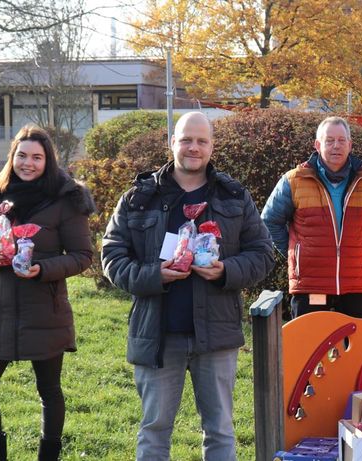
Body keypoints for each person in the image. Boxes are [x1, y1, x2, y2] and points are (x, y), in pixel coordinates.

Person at [102, 112, 275, 460]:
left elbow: (263, 254)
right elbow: (112, 258)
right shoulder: (139, 197)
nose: (193, 147)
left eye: (201, 140)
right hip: (158, 336)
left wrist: (227, 270)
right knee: (154, 432)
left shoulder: (233, 196)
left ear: (212, 146)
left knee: (221, 431)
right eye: (186, 139)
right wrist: (154, 275)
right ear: (172, 143)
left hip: (217, 335)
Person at [0, 125, 94, 461]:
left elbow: (83, 256)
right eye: (22, 155)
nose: (28, 163)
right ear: (12, 157)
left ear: (47, 160)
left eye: (37, 157)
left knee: (49, 390)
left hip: (46, 308)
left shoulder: (66, 199)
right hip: (1, 307)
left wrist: (44, 269)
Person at [262, 116, 362, 319]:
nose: (336, 146)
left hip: (354, 283)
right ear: (317, 144)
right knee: (310, 347)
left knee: (354, 347)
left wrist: (361, 245)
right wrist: (296, 250)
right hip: (310, 283)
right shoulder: (294, 180)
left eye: (341, 140)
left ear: (350, 145)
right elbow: (269, 221)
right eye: (329, 140)